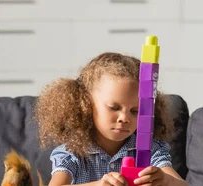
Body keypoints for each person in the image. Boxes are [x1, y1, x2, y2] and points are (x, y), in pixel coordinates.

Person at [34, 52, 188, 186]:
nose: (124, 118)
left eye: (135, 111)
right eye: (114, 108)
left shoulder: (151, 150)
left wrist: (166, 181)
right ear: (85, 105)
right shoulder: (73, 154)